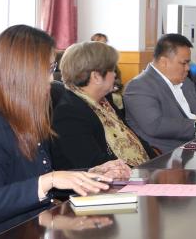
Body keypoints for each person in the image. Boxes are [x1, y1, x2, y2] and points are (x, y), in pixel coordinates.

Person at [0, 25, 130, 239]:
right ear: (22, 72)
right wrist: (49, 180)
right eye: (47, 69)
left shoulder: (27, 118)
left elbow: (31, 184)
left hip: (26, 237)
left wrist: (89, 174)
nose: (51, 79)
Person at [51, 41, 152, 169]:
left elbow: (134, 140)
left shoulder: (104, 101)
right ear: (96, 77)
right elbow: (96, 164)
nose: (115, 75)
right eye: (112, 70)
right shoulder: (69, 113)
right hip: (114, 179)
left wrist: (156, 165)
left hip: (138, 174)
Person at [123, 33, 196, 153]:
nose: (188, 68)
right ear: (164, 62)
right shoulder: (139, 87)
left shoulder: (185, 82)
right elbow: (155, 125)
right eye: (183, 63)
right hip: (169, 154)